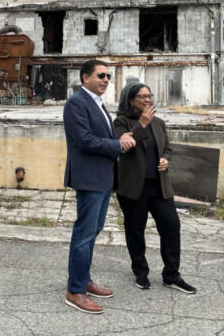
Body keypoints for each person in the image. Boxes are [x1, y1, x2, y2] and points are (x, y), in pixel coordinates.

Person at [63, 60, 136, 314]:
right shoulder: (76, 103)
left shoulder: (97, 102)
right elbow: (84, 140)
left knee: (92, 232)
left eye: (107, 76)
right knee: (84, 234)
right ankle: (75, 291)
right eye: (101, 75)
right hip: (89, 178)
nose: (106, 79)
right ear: (86, 78)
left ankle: (83, 280)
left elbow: (102, 136)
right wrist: (118, 146)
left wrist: (120, 139)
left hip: (103, 177)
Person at [114, 82, 196, 294]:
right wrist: (141, 123)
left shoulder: (158, 123)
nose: (148, 100)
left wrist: (165, 159)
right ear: (132, 100)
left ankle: (171, 275)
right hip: (134, 188)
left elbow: (167, 147)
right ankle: (141, 272)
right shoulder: (121, 122)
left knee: (171, 228)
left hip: (159, 186)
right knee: (135, 231)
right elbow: (125, 145)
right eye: (142, 96)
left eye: (149, 96)